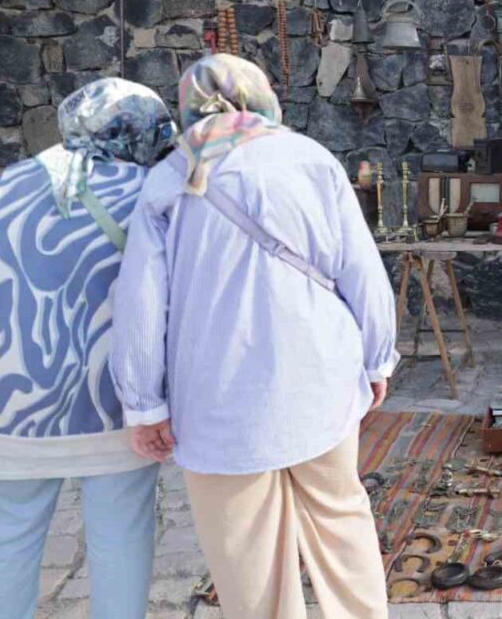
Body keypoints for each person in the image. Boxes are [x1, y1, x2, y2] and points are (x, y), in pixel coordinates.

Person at [111, 55, 398, 619]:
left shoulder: (171, 178)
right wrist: (375, 360)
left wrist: (145, 405)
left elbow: (141, 300)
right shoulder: (311, 159)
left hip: (219, 394)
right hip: (319, 374)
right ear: (261, 94)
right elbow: (362, 270)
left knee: (245, 551)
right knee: (342, 520)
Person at [0, 79, 174, 619]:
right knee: (121, 533)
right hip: (117, 407)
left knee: (11, 535)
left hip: (13, 407)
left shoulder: (8, 186)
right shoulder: (153, 193)